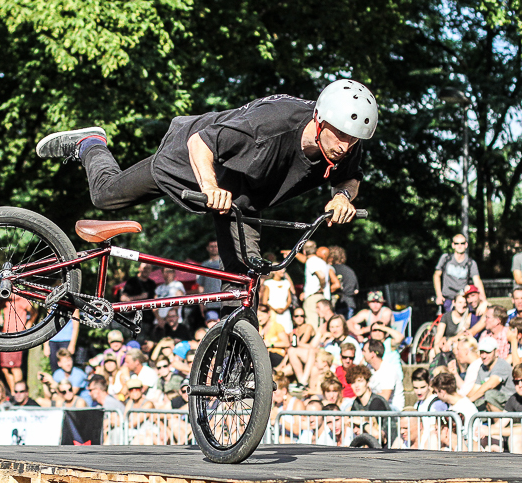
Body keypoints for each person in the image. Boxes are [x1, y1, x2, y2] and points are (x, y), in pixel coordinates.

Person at [38, 79, 376, 314]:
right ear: (320, 120)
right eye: (341, 135)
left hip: (243, 197)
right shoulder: (270, 125)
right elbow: (201, 142)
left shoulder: (347, 147)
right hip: (190, 158)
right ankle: (91, 144)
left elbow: (349, 178)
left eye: (354, 139)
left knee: (243, 279)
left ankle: (239, 373)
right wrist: (211, 186)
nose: (346, 145)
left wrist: (344, 197)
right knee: (105, 195)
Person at [433, 233, 486, 312]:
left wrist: (484, 300)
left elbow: (477, 281)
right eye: (457, 243)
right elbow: (436, 276)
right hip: (447, 299)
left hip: (463, 299)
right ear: (453, 245)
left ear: (466, 245)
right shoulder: (446, 258)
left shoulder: (470, 263)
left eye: (462, 243)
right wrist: (439, 295)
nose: (459, 246)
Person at [466, 337, 515, 412]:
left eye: (488, 352)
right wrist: (462, 401)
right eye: (482, 352)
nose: (484, 356)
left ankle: (500, 423)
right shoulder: (482, 368)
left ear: (496, 352)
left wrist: (468, 402)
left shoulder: (502, 365)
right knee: (477, 404)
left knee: (489, 394)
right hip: (493, 401)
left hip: (509, 403)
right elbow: (475, 389)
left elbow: (490, 385)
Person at [430, 372, 478, 447]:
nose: (436, 395)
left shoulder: (466, 407)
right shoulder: (450, 405)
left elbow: (471, 434)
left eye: (436, 392)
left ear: (442, 392)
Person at [363, 338, 404, 410]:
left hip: (393, 410)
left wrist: (365, 396)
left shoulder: (388, 370)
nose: (362, 354)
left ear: (372, 354)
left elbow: (384, 398)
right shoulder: (369, 368)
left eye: (364, 351)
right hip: (375, 405)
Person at [328, 246, 359, 317]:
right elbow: (356, 291)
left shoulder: (331, 269)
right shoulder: (350, 270)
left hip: (337, 304)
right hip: (350, 304)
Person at [261, 268, 295, 332]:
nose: (283, 271)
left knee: (287, 330)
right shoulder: (268, 283)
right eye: (281, 270)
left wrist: (284, 309)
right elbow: (265, 301)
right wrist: (275, 309)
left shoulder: (286, 283)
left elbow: (289, 299)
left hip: (285, 312)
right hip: (273, 313)